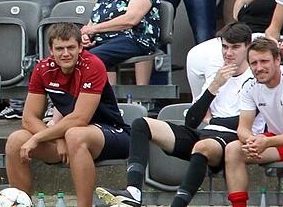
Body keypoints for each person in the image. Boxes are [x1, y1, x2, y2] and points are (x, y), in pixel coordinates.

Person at [96, 22, 257, 207]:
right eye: (225, 47)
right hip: (206, 134)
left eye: (235, 47)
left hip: (232, 141)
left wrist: (213, 120)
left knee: (203, 146)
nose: (228, 53)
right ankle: (133, 192)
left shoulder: (254, 77)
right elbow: (192, 121)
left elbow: (243, 122)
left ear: (248, 47)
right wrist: (214, 87)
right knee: (142, 123)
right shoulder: (217, 75)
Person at [5, 22, 129, 207]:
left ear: (80, 47)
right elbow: (28, 118)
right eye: (59, 48)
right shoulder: (42, 69)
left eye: (71, 47)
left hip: (111, 133)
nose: (65, 53)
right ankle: (20, 204)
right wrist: (58, 139)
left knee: (75, 134)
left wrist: (41, 137)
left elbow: (80, 118)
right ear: (50, 50)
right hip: (68, 136)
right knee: (16, 140)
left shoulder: (92, 64)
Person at [223, 37, 283, 207]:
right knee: (233, 149)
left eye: (264, 61)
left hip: (281, 140)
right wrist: (252, 141)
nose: (259, 68)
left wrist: (267, 141)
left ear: (277, 60)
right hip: (279, 140)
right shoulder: (250, 86)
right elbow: (243, 129)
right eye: (254, 63)